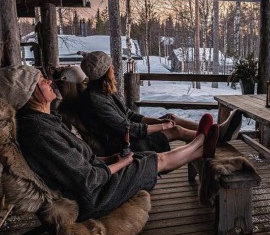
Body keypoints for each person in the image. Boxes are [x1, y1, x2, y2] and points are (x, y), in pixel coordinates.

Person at [0, 65, 219, 221]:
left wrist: (109, 160)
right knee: (153, 159)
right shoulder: (39, 132)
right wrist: (119, 163)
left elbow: (80, 162)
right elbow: (87, 180)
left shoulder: (46, 120)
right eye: (41, 81)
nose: (49, 82)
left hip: (97, 178)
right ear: (29, 93)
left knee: (145, 157)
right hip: (94, 198)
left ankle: (201, 145)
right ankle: (200, 143)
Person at [79, 51, 243, 156]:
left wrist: (158, 122)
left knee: (171, 118)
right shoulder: (96, 100)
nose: (113, 68)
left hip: (129, 132)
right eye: (110, 66)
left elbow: (129, 115)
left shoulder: (105, 92)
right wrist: (163, 127)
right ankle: (215, 139)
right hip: (123, 143)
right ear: (104, 73)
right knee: (175, 129)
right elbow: (128, 128)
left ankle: (218, 131)